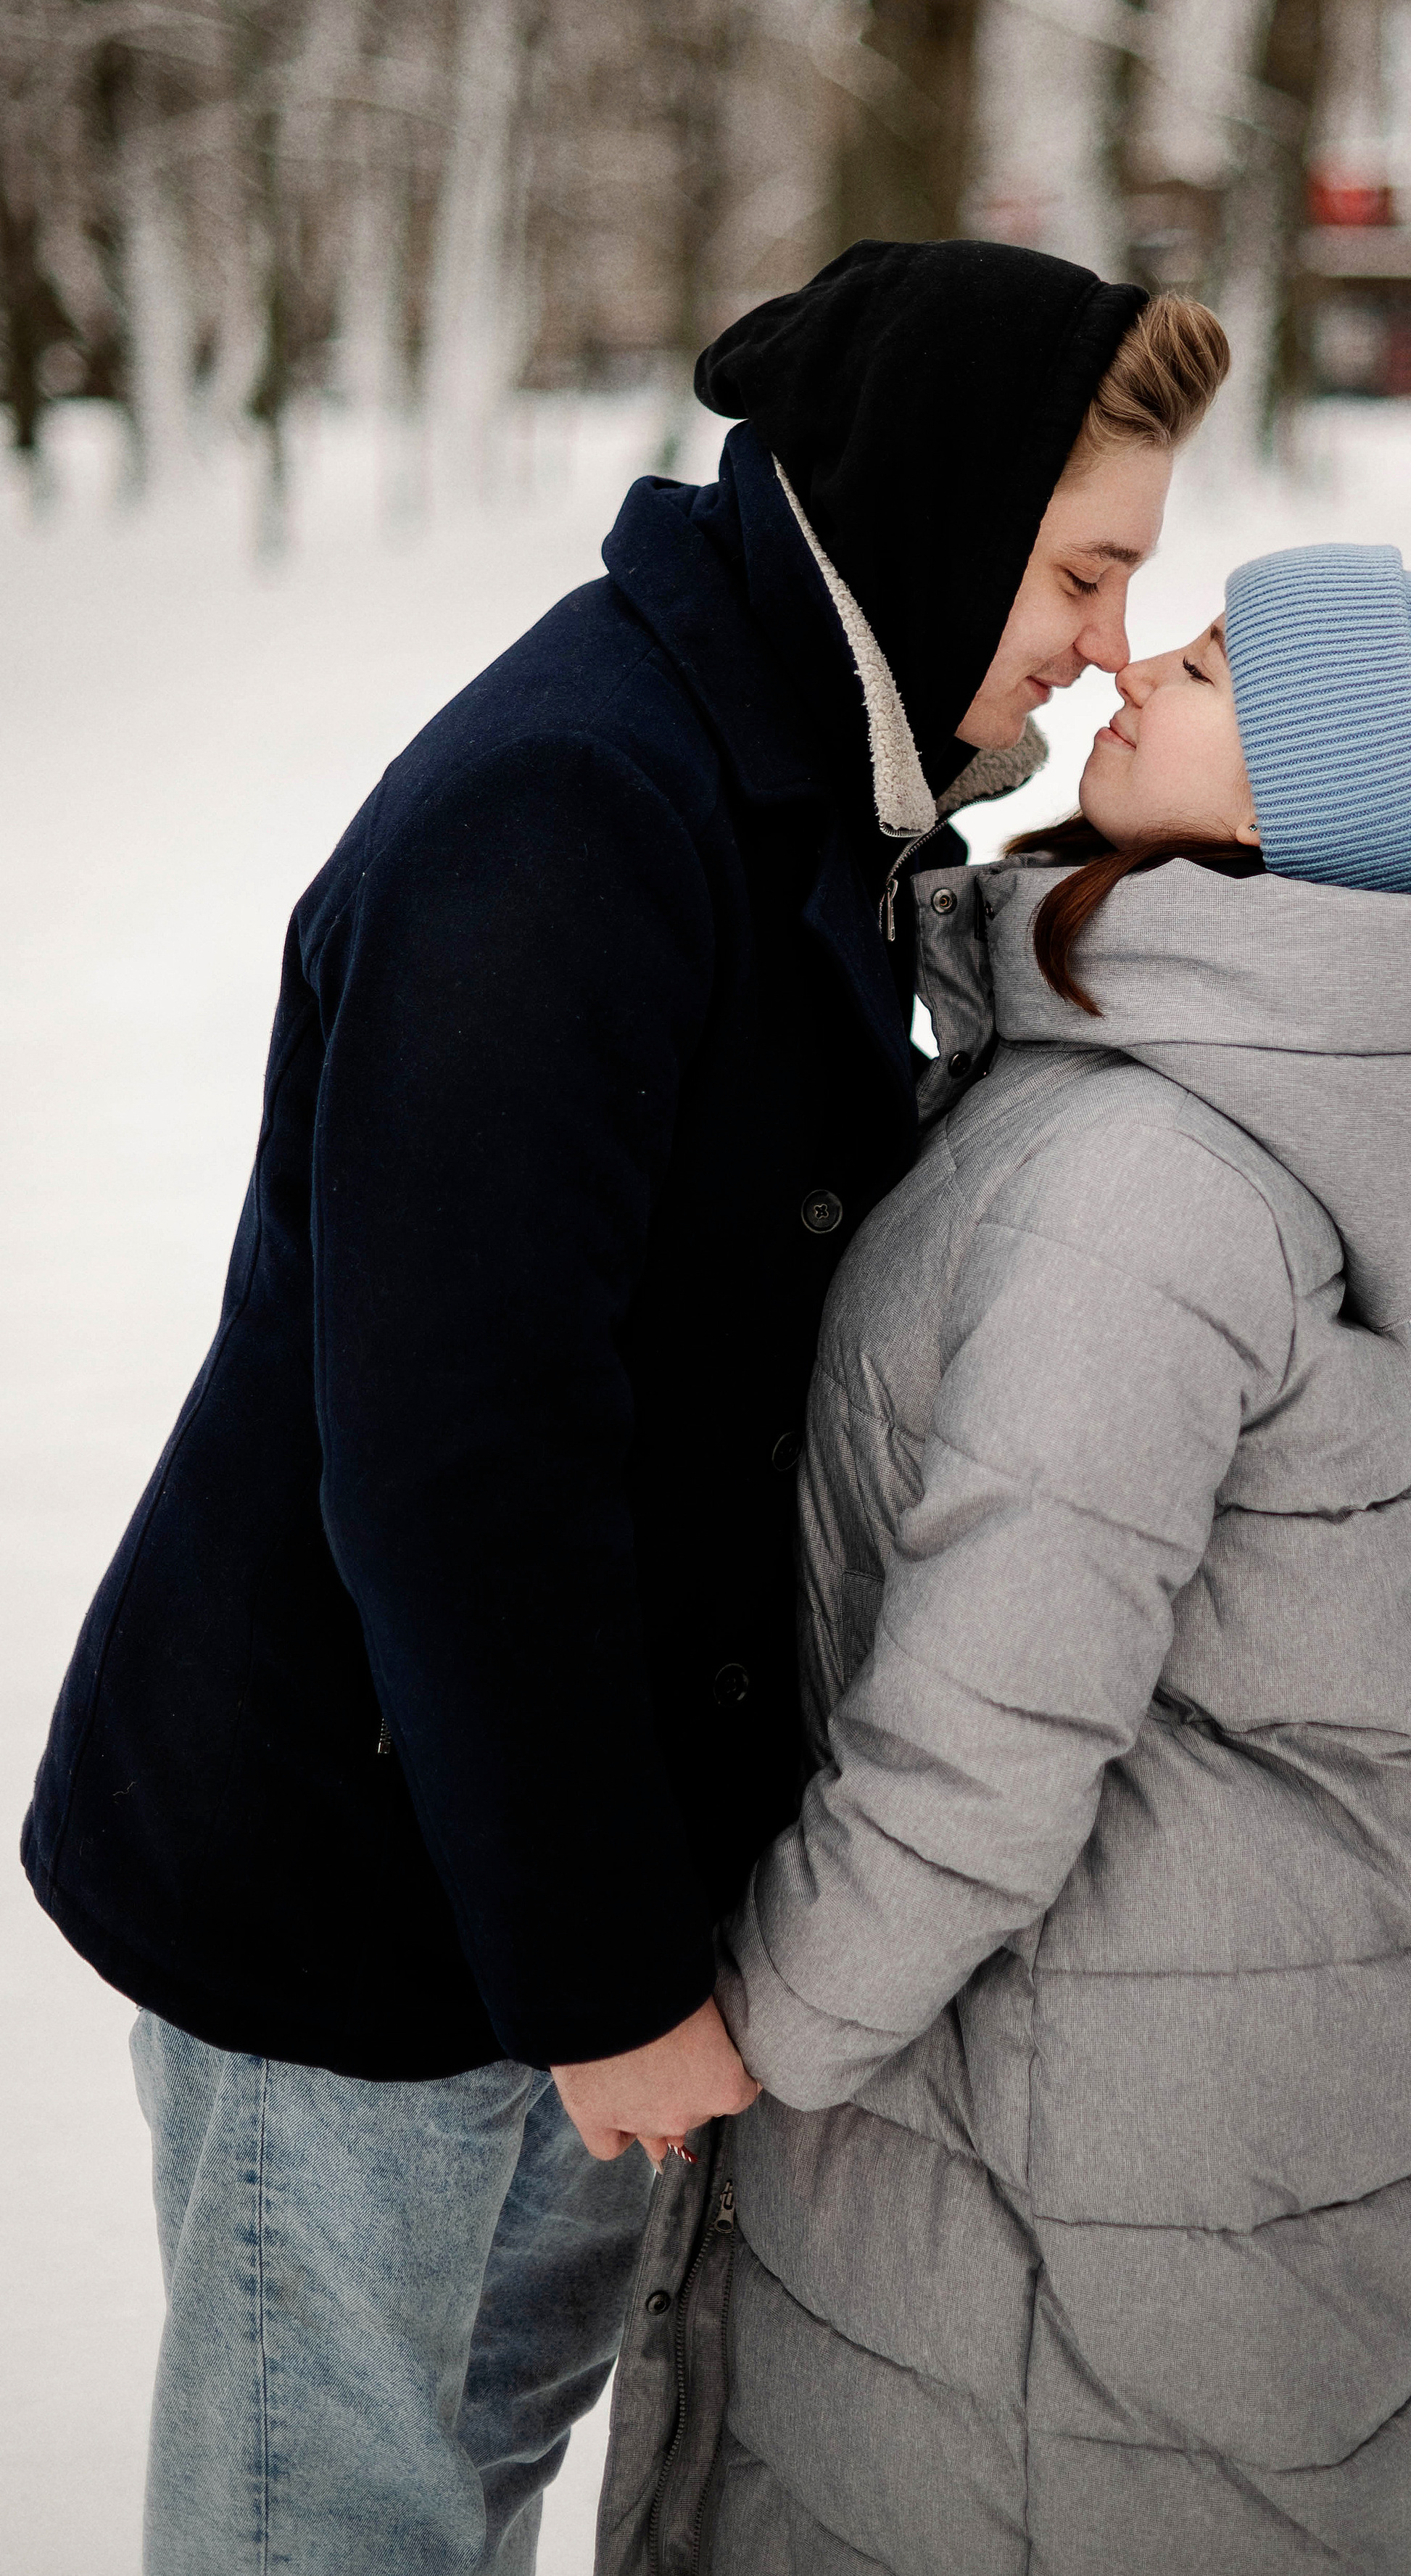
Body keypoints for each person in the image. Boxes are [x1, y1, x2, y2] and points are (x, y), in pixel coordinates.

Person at [18, 240, 1230, 2575]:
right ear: (943, 519)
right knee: (340, 2534)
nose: (1100, 645)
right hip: (375, 1913)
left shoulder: (796, 781)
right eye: (1083, 572)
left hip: (541, 1906)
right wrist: (605, 1977)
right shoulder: (575, 812)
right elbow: (460, 1455)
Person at [605, 542, 1411, 2574]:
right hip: (1143, 2023)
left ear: (1301, 811)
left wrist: (756, 2025)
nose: (1145, 659)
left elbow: (989, 1730)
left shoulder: (1139, 1187)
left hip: (1111, 2073)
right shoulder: (1121, 1091)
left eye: (1224, 661)